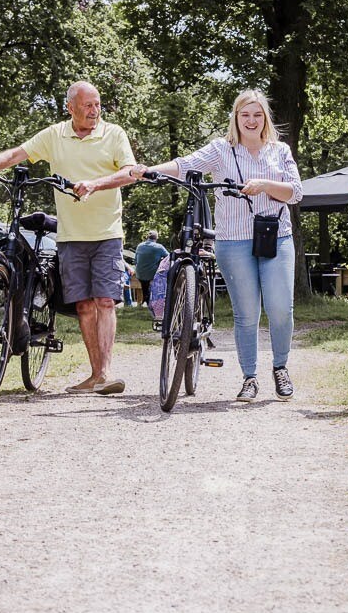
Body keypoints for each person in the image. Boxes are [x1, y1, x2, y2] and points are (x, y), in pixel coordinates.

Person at [128, 90, 303, 403]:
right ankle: (249, 377)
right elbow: (185, 165)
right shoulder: (221, 150)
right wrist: (150, 169)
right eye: (245, 115)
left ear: (266, 118)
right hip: (233, 241)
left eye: (257, 115)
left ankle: (280, 367)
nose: (251, 120)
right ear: (236, 118)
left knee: (280, 309)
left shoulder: (279, 150)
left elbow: (295, 193)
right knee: (246, 313)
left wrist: (263, 185)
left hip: (276, 237)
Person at [0, 81, 137, 396]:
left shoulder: (114, 134)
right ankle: (96, 374)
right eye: (87, 105)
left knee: (105, 300)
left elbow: (130, 172)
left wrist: (95, 185)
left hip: (107, 233)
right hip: (70, 236)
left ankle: (107, 372)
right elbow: (16, 154)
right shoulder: (55, 135)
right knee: (84, 306)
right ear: (70, 107)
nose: (94, 111)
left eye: (97, 104)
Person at [134, 230, 169, 315]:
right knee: (153, 286)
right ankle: (152, 305)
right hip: (152, 275)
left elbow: (136, 260)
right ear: (156, 238)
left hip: (140, 273)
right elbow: (168, 257)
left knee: (145, 288)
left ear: (147, 237)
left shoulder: (140, 246)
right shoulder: (159, 247)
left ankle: (145, 301)